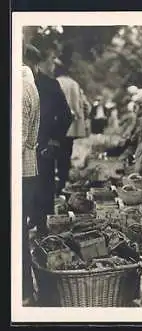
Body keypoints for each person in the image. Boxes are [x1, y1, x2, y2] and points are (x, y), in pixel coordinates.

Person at [25, 43, 72, 235]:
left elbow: (66, 116)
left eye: (29, 64)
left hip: (44, 146)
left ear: (36, 64)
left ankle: (43, 229)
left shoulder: (50, 85)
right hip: (21, 148)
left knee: (44, 186)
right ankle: (26, 221)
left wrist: (55, 140)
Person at [21, 65, 40, 306]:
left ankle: (24, 292)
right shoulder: (29, 85)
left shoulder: (21, 88)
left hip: (19, 171)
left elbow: (20, 138)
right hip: (27, 169)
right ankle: (25, 290)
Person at [54, 62, 88, 194]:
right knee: (67, 152)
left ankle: (58, 183)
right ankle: (63, 180)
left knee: (57, 152)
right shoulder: (74, 84)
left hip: (58, 123)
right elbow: (85, 105)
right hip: (72, 125)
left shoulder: (56, 82)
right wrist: (83, 118)